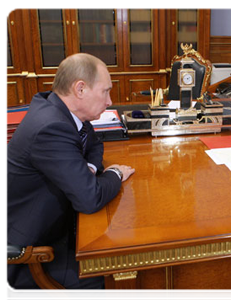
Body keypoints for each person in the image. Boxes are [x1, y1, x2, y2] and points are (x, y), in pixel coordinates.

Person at [5, 53, 135, 299]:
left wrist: (89, 170)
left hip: (59, 223)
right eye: (105, 91)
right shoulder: (51, 127)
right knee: (106, 277)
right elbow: (89, 199)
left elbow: (94, 145)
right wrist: (116, 173)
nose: (109, 101)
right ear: (80, 88)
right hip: (34, 247)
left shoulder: (64, 112)